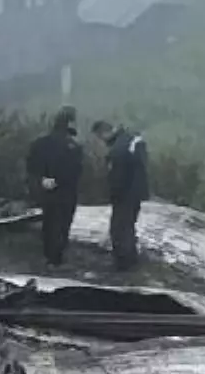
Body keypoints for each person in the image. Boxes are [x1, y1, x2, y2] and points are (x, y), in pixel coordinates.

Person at [25, 106, 84, 269]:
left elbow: (31, 165)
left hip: (44, 188)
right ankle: (56, 257)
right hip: (65, 190)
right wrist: (58, 180)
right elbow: (76, 171)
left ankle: (48, 255)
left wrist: (42, 180)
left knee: (49, 221)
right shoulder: (73, 146)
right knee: (63, 222)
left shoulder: (40, 143)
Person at [91, 120, 150, 270]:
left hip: (124, 194)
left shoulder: (117, 149)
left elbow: (117, 176)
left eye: (100, 137)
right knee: (129, 225)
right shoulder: (131, 140)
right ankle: (131, 259)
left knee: (119, 228)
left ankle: (123, 263)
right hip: (136, 193)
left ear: (103, 133)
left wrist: (113, 193)